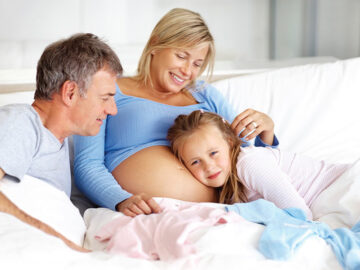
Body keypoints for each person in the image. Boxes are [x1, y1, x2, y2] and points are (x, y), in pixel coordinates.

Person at [73, 8, 278, 217]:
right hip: (146, 215)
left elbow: (246, 156)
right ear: (155, 44)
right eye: (181, 56)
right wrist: (119, 199)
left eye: (197, 64)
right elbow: (87, 163)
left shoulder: (205, 94)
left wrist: (266, 133)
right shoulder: (110, 90)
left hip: (218, 215)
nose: (188, 71)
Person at [0, 33, 123, 251]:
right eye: (105, 98)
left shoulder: (65, 144)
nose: (112, 110)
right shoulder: (20, 121)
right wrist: (65, 245)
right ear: (70, 92)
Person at [167, 110, 351, 219]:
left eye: (214, 153)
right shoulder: (229, 192)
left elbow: (300, 215)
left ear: (230, 143)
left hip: (342, 186)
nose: (208, 166)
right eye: (195, 162)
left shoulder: (249, 163)